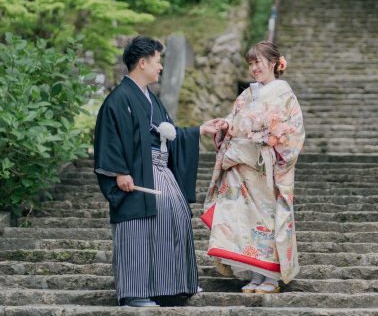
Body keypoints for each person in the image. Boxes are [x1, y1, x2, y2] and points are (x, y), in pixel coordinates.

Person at [94, 36, 221, 307]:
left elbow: (170, 134)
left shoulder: (153, 100)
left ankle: (173, 285)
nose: (161, 67)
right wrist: (119, 172)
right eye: (158, 61)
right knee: (138, 229)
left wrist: (200, 130)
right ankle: (135, 292)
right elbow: (109, 136)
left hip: (161, 171)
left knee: (176, 215)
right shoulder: (119, 99)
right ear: (142, 63)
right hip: (136, 173)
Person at [201, 42, 305, 294]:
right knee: (245, 223)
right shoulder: (247, 94)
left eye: (258, 61)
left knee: (267, 222)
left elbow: (295, 132)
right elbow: (235, 119)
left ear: (273, 62)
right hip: (240, 168)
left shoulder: (284, 94)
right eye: (250, 63)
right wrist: (226, 125)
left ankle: (271, 277)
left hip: (265, 168)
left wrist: (271, 139)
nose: (254, 67)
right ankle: (256, 275)